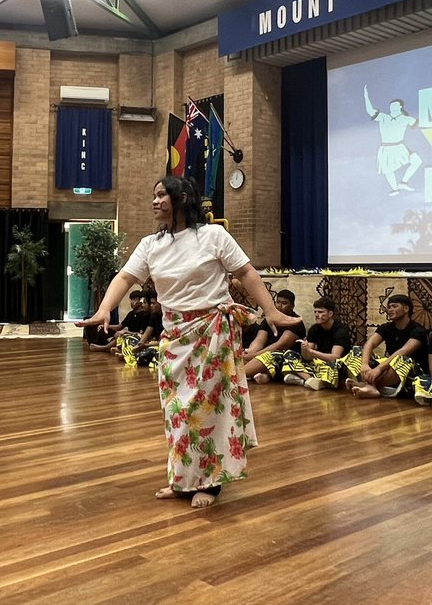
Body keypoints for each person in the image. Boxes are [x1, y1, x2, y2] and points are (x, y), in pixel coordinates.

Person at [79, 176, 300, 509]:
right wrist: (104, 309)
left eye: (160, 195)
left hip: (213, 332)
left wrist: (272, 313)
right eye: (153, 195)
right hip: (174, 337)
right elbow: (125, 277)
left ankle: (209, 483)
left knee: (203, 410)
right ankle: (183, 478)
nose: (154, 201)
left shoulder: (213, 236)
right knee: (177, 412)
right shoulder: (151, 245)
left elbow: (246, 273)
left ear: (181, 198)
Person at [347, 293, 428, 399]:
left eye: (394, 306)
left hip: (412, 375)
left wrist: (379, 369)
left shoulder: (418, 330)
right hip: (389, 369)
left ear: (406, 308)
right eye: (389, 307)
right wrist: (365, 364)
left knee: (403, 360)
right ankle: (371, 386)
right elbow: (369, 344)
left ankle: (369, 386)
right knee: (357, 350)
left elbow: (404, 351)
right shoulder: (386, 328)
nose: (390, 310)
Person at [278, 296, 353, 391]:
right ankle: (310, 380)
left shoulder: (341, 330)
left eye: (321, 312)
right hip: (318, 363)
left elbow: (335, 357)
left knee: (332, 368)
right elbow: (307, 357)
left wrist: (311, 352)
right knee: (289, 354)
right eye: (315, 312)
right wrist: (304, 349)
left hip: (335, 365)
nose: (317, 315)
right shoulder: (314, 329)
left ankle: (305, 380)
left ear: (330, 314)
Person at [363, 88, 421, 195]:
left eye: (394, 105)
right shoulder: (383, 117)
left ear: (400, 107)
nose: (392, 107)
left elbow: (419, 124)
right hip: (386, 148)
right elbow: (370, 111)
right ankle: (395, 188)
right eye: (391, 105)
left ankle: (403, 182)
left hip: (399, 146)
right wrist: (366, 97)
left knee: (416, 161)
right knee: (387, 170)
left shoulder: (405, 118)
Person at [242, 290, 307, 384]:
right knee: (241, 356)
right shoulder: (269, 319)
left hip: (285, 358)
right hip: (264, 354)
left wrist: (252, 356)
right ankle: (263, 374)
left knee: (268, 357)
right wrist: (249, 352)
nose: (280, 305)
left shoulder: (295, 322)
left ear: (292, 306)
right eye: (278, 302)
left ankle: (237, 376)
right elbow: (259, 341)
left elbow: (280, 345)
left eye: (284, 303)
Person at [116, 292, 164, 367]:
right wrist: (140, 344)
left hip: (160, 344)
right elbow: (147, 333)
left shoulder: (167, 317)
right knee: (128, 339)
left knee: (153, 351)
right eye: (151, 303)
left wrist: (146, 345)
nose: (151, 306)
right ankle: (129, 354)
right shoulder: (154, 316)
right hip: (151, 342)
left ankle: (129, 355)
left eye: (154, 303)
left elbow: (165, 341)